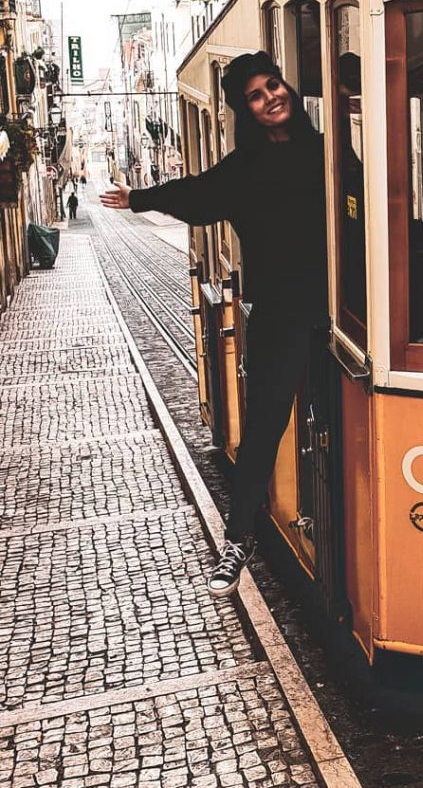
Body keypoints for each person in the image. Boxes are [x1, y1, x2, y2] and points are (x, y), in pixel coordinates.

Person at [100, 51, 328, 597]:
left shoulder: (324, 151)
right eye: (256, 95)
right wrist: (139, 198)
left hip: (334, 316)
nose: (271, 97)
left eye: (274, 85)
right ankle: (238, 539)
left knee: (330, 429)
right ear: (246, 110)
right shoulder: (244, 169)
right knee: (264, 429)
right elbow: (197, 196)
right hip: (280, 315)